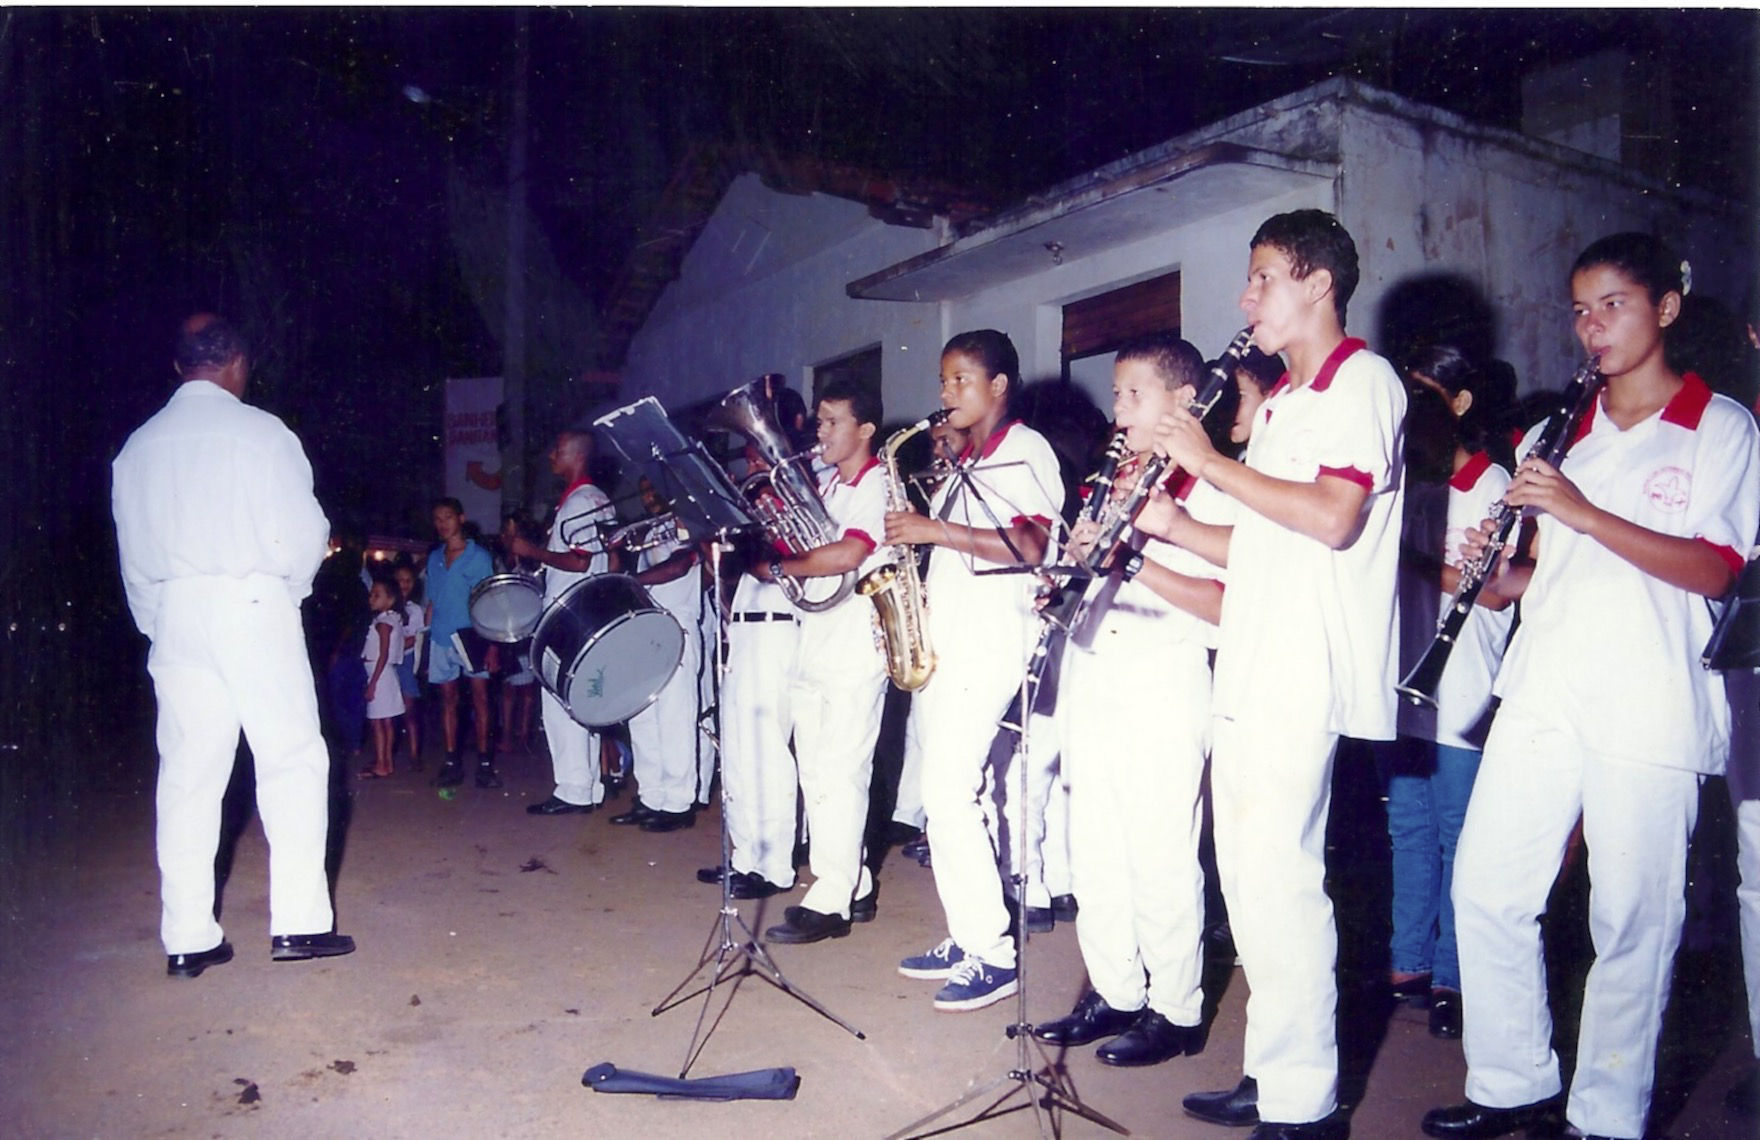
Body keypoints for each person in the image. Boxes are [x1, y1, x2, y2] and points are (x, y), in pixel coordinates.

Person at [1422, 234, 1760, 1140]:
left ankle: (1605, 1116)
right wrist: (1489, 581)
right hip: (1543, 690)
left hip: (1651, 705)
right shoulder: (1552, 431)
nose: (1591, 326)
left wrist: (1579, 509)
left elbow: (1716, 572)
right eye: (1579, 308)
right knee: (1489, 887)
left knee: (1632, 922)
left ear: (1666, 309)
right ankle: (1511, 1083)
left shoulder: (1722, 426)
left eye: (1614, 304)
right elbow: (1546, 575)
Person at [1156, 210, 1405, 1140]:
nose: (1245, 297)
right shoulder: (1290, 402)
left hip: (1305, 664)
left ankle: (1305, 1106)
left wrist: (1207, 459)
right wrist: (1172, 527)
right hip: (1255, 655)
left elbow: (1335, 518)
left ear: (1317, 284)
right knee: (1252, 882)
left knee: (1284, 883)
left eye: (1263, 277)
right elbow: (1263, 540)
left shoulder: (1363, 381)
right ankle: (1273, 1071)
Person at [111, 313, 355, 977]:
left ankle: (188, 938)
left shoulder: (137, 447)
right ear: (239, 364)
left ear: (178, 368)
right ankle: (300, 925)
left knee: (189, 775)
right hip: (253, 601)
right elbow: (305, 535)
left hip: (177, 611)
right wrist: (285, 596)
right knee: (292, 759)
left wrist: (160, 622)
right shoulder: (262, 433)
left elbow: (132, 556)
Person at [1031, 332, 1228, 1067]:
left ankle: (1175, 1008)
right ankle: (1114, 992)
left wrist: (1133, 562)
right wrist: (1066, 578)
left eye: (1134, 395)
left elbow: (1221, 603)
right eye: (1116, 395)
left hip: (1165, 678)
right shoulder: (1109, 484)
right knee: (1096, 848)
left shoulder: (1208, 485)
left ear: (1184, 400)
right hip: (1097, 669)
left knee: (1160, 850)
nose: (1119, 409)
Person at [884, 329, 1065, 1012]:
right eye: (943, 381)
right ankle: (970, 935)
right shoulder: (969, 461)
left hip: (994, 643)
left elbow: (1031, 542)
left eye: (961, 380)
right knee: (957, 794)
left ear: (999, 387)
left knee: (948, 789)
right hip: (952, 643)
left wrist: (933, 531)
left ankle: (992, 952)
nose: (945, 394)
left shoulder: (1026, 451)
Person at [1378, 344, 1515, 1041]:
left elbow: (1492, 592)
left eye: (1425, 395)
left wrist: (1407, 560)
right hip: (1405, 688)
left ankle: (1453, 975)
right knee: (1410, 830)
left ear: (1460, 406)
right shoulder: (1414, 482)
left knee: (1462, 837)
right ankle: (1407, 961)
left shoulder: (1495, 485)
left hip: (1462, 687)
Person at [762, 379, 891, 943]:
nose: (821, 432)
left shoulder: (876, 482)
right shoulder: (830, 486)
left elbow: (849, 553)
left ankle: (832, 898)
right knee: (815, 771)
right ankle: (854, 881)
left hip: (856, 644)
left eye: (832, 421)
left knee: (841, 772)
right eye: (818, 422)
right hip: (817, 638)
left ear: (865, 429)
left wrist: (782, 568)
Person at [699, 446, 802, 899]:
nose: (751, 469)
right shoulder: (752, 509)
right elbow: (729, 579)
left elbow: (776, 563)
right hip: (742, 628)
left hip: (777, 630)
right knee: (738, 750)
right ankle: (744, 856)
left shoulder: (797, 503)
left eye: (758, 459)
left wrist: (750, 530)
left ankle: (775, 866)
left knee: (768, 753)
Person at [505, 430, 618, 815]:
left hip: (571, 613)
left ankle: (573, 789)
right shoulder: (595, 499)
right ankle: (586, 788)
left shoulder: (582, 501)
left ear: (574, 455)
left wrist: (530, 550)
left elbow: (580, 560)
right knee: (580, 701)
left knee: (561, 704)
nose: (551, 455)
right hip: (587, 607)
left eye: (556, 450)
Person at [611, 478, 707, 833]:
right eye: (644, 490)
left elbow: (680, 566)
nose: (649, 496)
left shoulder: (689, 522)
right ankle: (651, 796)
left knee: (674, 719)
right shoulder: (650, 530)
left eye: (655, 489)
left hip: (676, 627)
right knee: (644, 718)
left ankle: (679, 803)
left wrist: (630, 581)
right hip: (647, 627)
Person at [424, 497, 499, 789]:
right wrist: (424, 639)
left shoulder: (478, 557)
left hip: (472, 637)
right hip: (441, 638)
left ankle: (484, 765)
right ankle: (452, 762)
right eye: (437, 519)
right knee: (448, 702)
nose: (442, 524)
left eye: (448, 517)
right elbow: (431, 602)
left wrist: (493, 644)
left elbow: (491, 600)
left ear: (461, 518)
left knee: (480, 700)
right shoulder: (434, 558)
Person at [360, 574, 406, 779]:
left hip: (379, 674)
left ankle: (381, 762)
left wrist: (372, 684)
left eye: (377, 595)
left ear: (390, 600)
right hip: (386, 674)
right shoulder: (391, 619)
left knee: (378, 722)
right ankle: (386, 762)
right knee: (386, 721)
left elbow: (383, 653)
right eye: (372, 594)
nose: (372, 598)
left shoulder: (384, 623)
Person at [391, 562, 426, 769]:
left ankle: (415, 754)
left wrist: (396, 646)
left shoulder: (415, 610)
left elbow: (416, 637)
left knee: (410, 710)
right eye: (399, 580)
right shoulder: (389, 607)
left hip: (406, 661)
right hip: (389, 663)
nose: (403, 585)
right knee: (390, 710)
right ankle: (389, 752)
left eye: (408, 581)